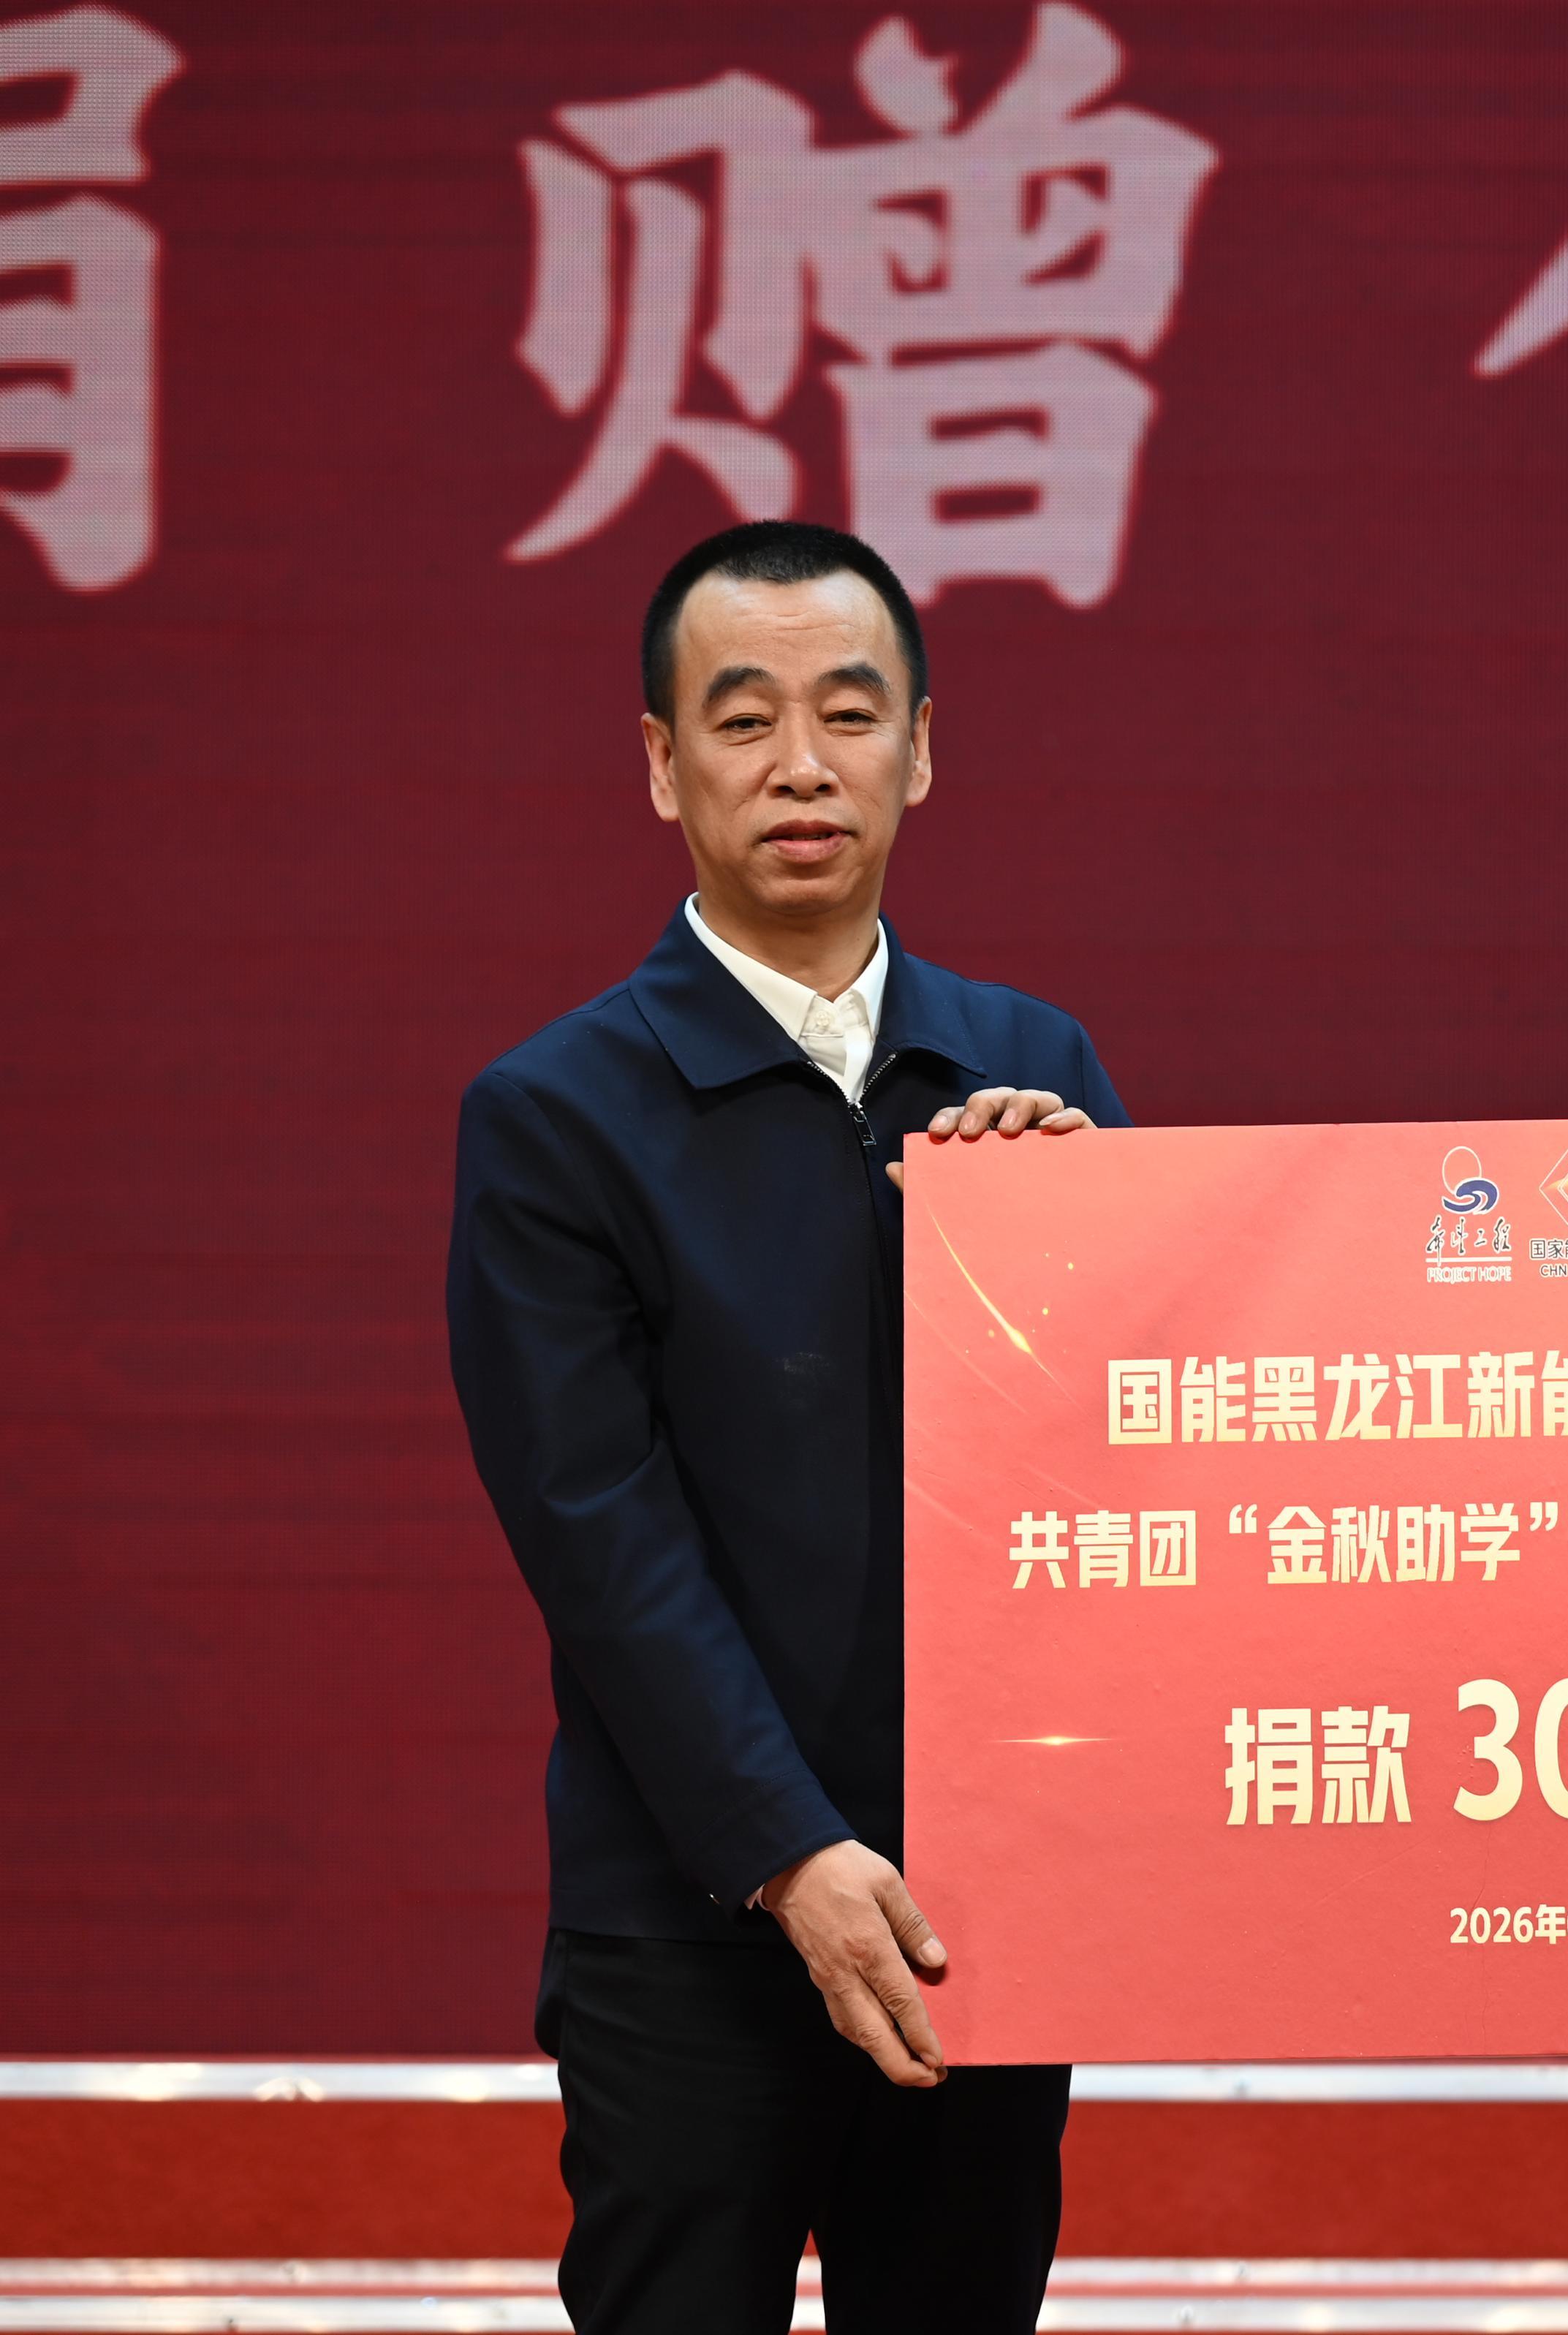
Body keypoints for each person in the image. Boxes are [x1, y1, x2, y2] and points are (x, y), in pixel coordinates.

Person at [447, 520, 1126, 2334]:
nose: (802, 765)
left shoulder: (1038, 1075)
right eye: (743, 720)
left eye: (850, 711)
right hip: (687, 1921)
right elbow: (600, 1538)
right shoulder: (555, 1115)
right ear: (662, 764)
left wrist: (1091, 1248)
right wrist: (787, 1852)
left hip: (978, 1908)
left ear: (922, 747)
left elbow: (1139, 1478)